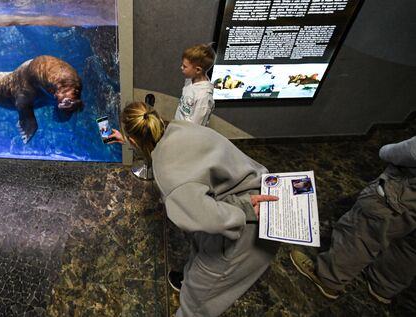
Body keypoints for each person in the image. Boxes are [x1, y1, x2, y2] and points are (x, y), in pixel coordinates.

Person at [113, 101, 279, 317]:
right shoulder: (181, 127)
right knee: (199, 247)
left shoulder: (167, 174)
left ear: (135, 141)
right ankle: (188, 278)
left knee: (198, 300)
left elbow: (210, 219)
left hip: (248, 223)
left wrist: (244, 209)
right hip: (257, 189)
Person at [290, 136, 416, 304]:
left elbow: (408, 151)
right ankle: (384, 286)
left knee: (361, 231)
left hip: (405, 192)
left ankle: (328, 278)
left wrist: (385, 151)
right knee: (411, 246)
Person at [174, 43, 216, 126]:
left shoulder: (203, 97)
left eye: (185, 66)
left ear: (198, 70)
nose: (181, 68)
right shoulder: (190, 80)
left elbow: (196, 127)